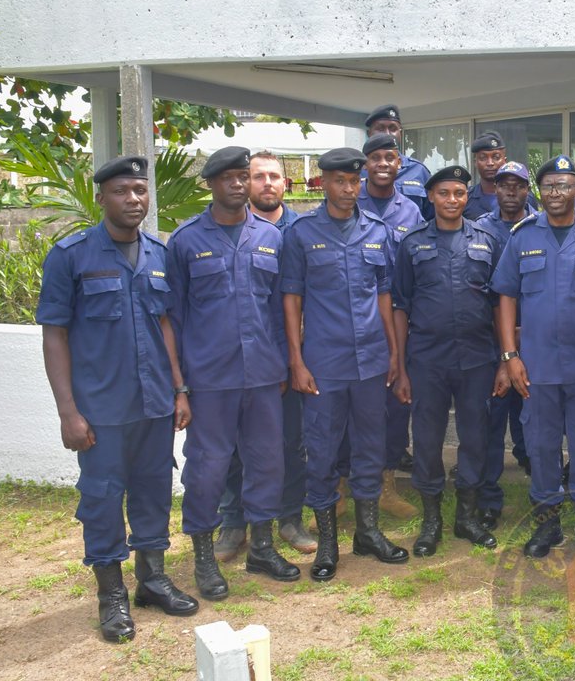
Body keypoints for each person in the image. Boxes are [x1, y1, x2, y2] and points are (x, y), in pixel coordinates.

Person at [36, 156, 197, 642]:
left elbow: (165, 323)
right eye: (123, 191)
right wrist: (68, 411)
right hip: (101, 409)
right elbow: (54, 335)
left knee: (152, 490)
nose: (134, 200)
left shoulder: (157, 253)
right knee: (102, 499)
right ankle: (111, 595)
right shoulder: (71, 255)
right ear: (103, 196)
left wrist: (178, 388)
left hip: (153, 403)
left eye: (141, 191)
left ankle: (151, 579)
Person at [167, 146, 301, 599]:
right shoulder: (185, 241)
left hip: (263, 374)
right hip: (210, 380)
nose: (240, 184)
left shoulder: (271, 236)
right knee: (207, 469)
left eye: (244, 176)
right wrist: (179, 385)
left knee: (268, 461)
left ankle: (262, 547)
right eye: (229, 177)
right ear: (211, 183)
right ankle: (204, 557)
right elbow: (174, 318)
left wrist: (285, 362)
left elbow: (282, 308)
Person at [281, 147, 407, 581]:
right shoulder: (301, 234)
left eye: (354, 181)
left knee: (370, 446)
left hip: (371, 361)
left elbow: (386, 296)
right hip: (324, 362)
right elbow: (291, 300)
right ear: (324, 183)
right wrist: (295, 360)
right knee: (322, 449)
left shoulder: (378, 231)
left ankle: (368, 532)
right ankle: (329, 544)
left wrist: (393, 353)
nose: (349, 189)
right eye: (340, 181)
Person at [491, 154, 575, 559]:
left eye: (563, 186)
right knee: (542, 444)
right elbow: (506, 295)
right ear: (539, 192)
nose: (555, 193)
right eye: (548, 186)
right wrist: (510, 354)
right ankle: (546, 525)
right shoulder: (523, 235)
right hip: (536, 365)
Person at [391, 165, 501, 556]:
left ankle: (466, 518)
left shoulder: (487, 240)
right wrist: (400, 365)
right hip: (427, 359)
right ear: (432, 197)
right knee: (426, 439)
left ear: (467, 196)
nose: (452, 200)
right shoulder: (411, 243)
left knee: (475, 437)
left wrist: (505, 360)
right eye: (444, 193)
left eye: (459, 192)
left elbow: (500, 303)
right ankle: (431, 518)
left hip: (476, 358)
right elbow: (400, 305)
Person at [215, 151, 315, 562]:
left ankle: (290, 517)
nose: (267, 183)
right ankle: (233, 521)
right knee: (234, 445)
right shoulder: (229, 231)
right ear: (245, 183)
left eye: (275, 176)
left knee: (291, 441)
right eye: (259, 177)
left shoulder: (301, 230)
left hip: (291, 357)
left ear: (286, 184)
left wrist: (295, 357)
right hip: (236, 360)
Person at [357, 132, 423, 519]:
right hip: (356, 319)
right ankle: (345, 481)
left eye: (390, 158)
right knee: (354, 404)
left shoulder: (410, 211)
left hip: (400, 319)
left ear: (400, 164)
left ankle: (386, 483)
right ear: (366, 164)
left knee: (397, 402)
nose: (383, 164)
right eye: (376, 158)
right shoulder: (350, 201)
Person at [476, 160, 537, 524]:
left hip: (536, 337)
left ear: (528, 190)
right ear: (494, 188)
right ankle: (488, 498)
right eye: (504, 184)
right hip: (492, 340)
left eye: (518, 185)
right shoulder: (479, 230)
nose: (511, 191)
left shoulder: (540, 227)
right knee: (492, 420)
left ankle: (541, 491)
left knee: (535, 419)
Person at [365, 103, 432, 220]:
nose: (387, 134)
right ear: (369, 133)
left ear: (400, 133)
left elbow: (432, 218)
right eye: (380, 128)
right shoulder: (355, 170)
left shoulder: (419, 170)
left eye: (393, 128)